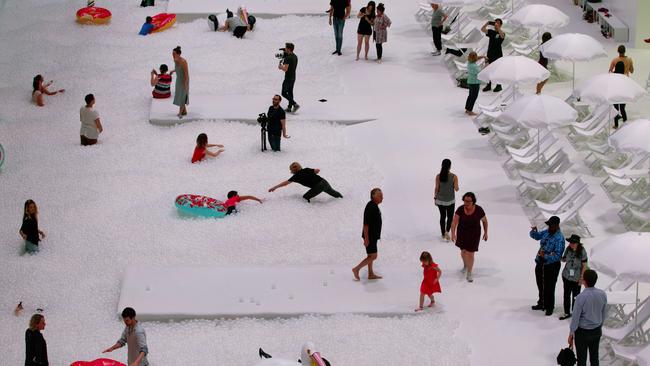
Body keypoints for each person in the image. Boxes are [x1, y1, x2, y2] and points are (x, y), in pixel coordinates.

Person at [568, 269, 607, 366]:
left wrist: (571, 333)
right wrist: (599, 325)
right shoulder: (603, 294)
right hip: (596, 330)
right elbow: (603, 313)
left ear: (584, 281)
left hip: (582, 333)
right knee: (594, 358)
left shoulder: (581, 297)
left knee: (581, 360)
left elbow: (575, 318)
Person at [530, 215, 565, 316]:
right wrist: (534, 231)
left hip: (551, 266)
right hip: (540, 262)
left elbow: (558, 255)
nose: (549, 227)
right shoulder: (547, 231)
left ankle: (549, 306)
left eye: (551, 225)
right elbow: (537, 236)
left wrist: (545, 255)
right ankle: (541, 302)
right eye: (549, 225)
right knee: (540, 283)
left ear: (557, 226)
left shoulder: (560, 238)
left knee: (550, 286)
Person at [450, 192, 488, 283]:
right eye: (465, 201)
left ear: (473, 201)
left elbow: (485, 221)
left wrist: (486, 232)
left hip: (474, 234)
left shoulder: (479, 210)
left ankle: (469, 272)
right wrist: (453, 233)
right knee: (463, 252)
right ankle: (466, 265)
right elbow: (454, 222)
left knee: (470, 253)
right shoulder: (460, 209)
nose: (466, 203)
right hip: (462, 233)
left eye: (468, 201)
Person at [268, 162, 343, 202]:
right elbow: (317, 170)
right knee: (333, 193)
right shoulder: (306, 169)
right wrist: (311, 175)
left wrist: (275, 187)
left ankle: (310, 213)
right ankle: (343, 199)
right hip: (324, 181)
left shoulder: (296, 176)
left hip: (318, 186)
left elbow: (285, 183)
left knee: (305, 197)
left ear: (292, 170)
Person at [352, 188, 383, 281]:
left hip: (373, 236)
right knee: (373, 256)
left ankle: (370, 273)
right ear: (373, 196)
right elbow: (366, 224)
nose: (382, 197)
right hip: (370, 236)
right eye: (380, 196)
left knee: (370, 255)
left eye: (382, 195)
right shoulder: (371, 206)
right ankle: (356, 269)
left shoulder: (374, 205)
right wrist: (366, 238)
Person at [559, 234, 588, 320]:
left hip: (576, 278)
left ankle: (575, 313)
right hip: (566, 275)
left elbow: (584, 265)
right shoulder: (568, 249)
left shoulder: (582, 251)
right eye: (570, 242)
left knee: (576, 296)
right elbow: (564, 259)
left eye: (573, 242)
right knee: (566, 295)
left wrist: (581, 277)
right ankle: (566, 312)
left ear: (578, 243)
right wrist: (559, 257)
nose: (571, 244)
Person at [609, 45, 634, 129]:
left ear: (618, 51)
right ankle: (625, 124)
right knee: (623, 106)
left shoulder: (615, 60)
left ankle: (616, 125)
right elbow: (632, 71)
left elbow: (610, 71)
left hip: (616, 83)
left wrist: (614, 72)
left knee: (615, 105)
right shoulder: (629, 60)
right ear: (625, 51)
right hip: (625, 84)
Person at [434, 159, 459, 241]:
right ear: (450, 166)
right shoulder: (454, 176)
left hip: (440, 200)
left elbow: (437, 188)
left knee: (442, 216)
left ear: (442, 165)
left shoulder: (438, 176)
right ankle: (447, 232)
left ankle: (442, 233)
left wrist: (435, 198)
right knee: (450, 217)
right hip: (450, 200)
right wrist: (456, 186)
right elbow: (456, 189)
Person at [481, 19, 505, 92]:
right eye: (495, 23)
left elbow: (502, 36)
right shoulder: (491, 32)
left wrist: (499, 28)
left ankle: (499, 85)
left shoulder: (502, 32)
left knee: (497, 70)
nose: (496, 24)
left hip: (498, 54)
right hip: (490, 53)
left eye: (498, 23)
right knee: (489, 69)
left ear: (501, 25)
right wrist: (487, 23)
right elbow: (482, 29)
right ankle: (489, 85)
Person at [279, 43, 299, 113]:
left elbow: (285, 69)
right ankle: (289, 107)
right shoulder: (295, 56)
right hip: (293, 76)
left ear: (289, 49)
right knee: (290, 92)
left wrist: (280, 67)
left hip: (288, 77)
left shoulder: (288, 58)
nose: (285, 49)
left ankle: (295, 104)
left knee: (283, 93)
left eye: (286, 48)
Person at [464, 52, 485, 116]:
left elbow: (476, 58)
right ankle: (470, 110)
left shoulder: (469, 63)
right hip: (475, 83)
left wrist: (482, 57)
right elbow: (481, 73)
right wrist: (485, 65)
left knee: (470, 96)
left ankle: (467, 109)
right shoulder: (474, 66)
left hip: (470, 82)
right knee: (474, 97)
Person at [171, 46, 189, 119]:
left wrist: (185, 83)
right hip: (179, 79)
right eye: (172, 53)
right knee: (179, 94)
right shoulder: (175, 60)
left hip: (184, 79)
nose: (173, 55)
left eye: (174, 54)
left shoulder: (183, 62)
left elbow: (186, 73)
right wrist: (173, 71)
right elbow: (178, 68)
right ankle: (184, 111)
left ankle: (180, 112)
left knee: (182, 95)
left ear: (179, 54)